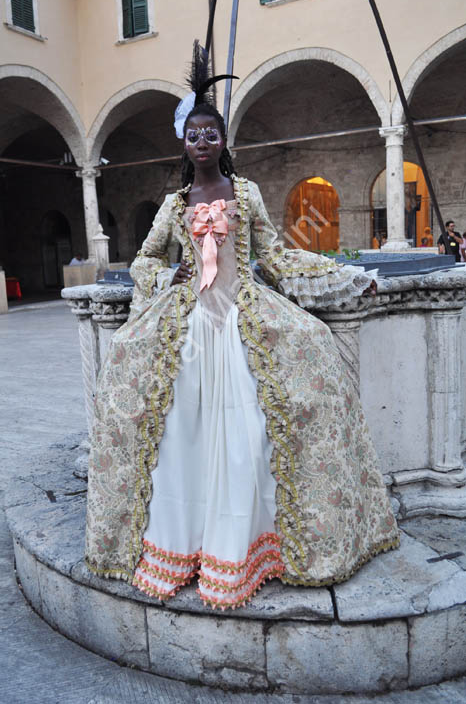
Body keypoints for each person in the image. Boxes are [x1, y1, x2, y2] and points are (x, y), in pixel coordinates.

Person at [85, 44, 399, 609]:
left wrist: (346, 279)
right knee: (178, 431)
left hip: (242, 320)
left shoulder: (246, 194)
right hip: (189, 327)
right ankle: (187, 546)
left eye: (212, 134)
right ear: (184, 143)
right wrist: (168, 277)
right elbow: (143, 262)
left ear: (224, 141)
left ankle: (254, 545)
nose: (202, 143)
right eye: (193, 135)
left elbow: (276, 258)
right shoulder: (174, 204)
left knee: (266, 419)